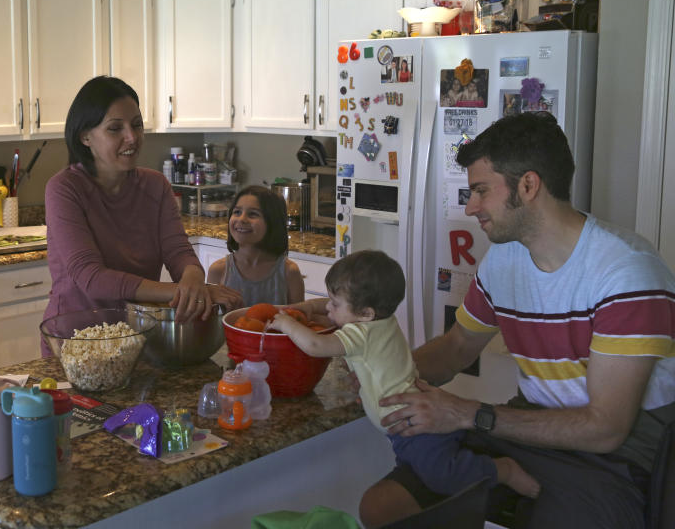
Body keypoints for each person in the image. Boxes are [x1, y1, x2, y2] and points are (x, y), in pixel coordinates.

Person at [356, 112, 675, 529]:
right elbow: (455, 349)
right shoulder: (505, 259)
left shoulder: (625, 272)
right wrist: (375, 367)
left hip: (615, 455)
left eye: (480, 191)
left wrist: (466, 413)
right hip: (526, 427)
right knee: (383, 506)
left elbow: (606, 428)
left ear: (528, 185)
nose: (470, 207)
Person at [266, 250, 540, 503]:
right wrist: (312, 308)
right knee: (420, 474)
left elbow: (315, 346)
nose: (328, 309)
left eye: (334, 304)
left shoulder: (359, 333)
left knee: (444, 477)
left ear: (365, 313)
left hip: (415, 425)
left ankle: (502, 471)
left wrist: (287, 324)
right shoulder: (378, 322)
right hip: (406, 424)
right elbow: (339, 312)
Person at [43, 76, 242, 354]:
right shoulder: (64, 189)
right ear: (85, 136)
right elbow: (92, 278)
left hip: (136, 339)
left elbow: (177, 251)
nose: (132, 137)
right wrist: (182, 291)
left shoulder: (155, 185)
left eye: (136, 125)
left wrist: (194, 279)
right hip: (76, 343)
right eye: (115, 128)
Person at [206, 185, 305, 307]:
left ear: (272, 222)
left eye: (253, 214)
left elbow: (298, 318)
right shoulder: (219, 270)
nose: (242, 219)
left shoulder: (289, 272)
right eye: (237, 212)